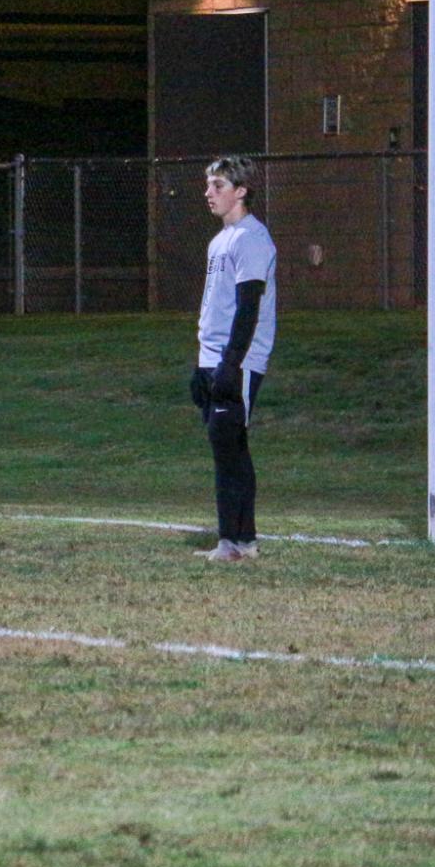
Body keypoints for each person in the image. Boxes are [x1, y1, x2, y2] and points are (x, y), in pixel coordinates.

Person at [191, 155, 278, 562]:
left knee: (227, 447)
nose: (209, 193)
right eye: (209, 185)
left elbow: (248, 309)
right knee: (228, 446)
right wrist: (201, 363)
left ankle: (233, 542)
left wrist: (230, 364)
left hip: (236, 359)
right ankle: (242, 541)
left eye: (218, 186)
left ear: (241, 191)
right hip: (214, 355)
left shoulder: (251, 238)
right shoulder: (218, 240)